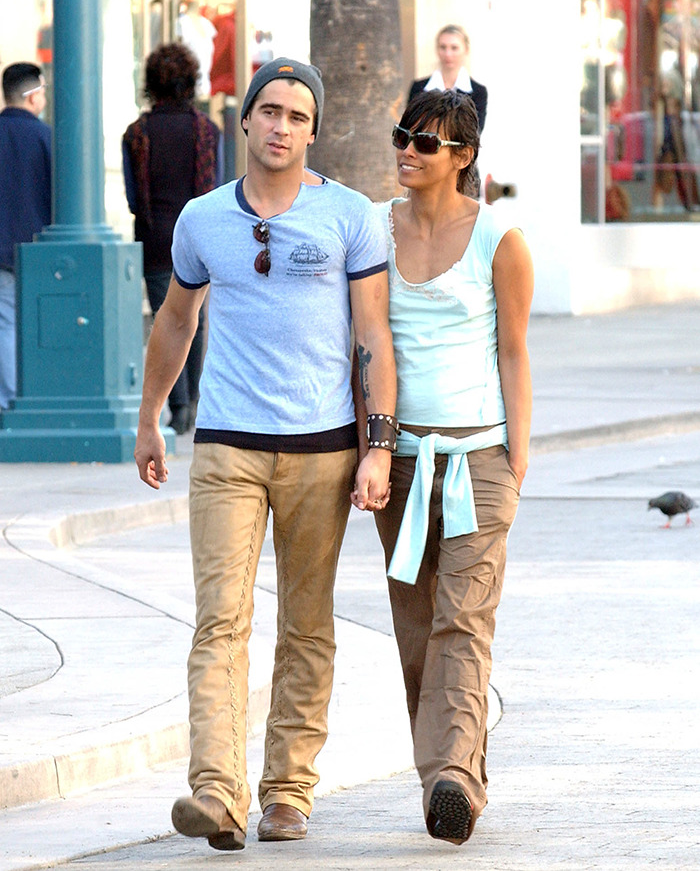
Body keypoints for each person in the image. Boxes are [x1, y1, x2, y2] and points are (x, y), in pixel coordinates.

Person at [134, 57, 396, 852]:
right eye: (271, 110)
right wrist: (150, 418)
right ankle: (217, 791)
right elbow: (176, 320)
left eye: (298, 116)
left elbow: (373, 335)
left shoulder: (349, 215)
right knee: (220, 619)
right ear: (244, 119)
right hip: (227, 447)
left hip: (323, 449)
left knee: (306, 625)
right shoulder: (201, 219)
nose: (282, 126)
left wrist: (378, 448)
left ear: (313, 132)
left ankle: (288, 791)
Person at [372, 89, 533, 845]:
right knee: (416, 630)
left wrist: (517, 458)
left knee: (462, 622)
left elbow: (514, 351)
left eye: (425, 142)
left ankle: (454, 780)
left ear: (462, 155)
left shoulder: (500, 238)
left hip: (479, 460)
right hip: (400, 464)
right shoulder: (375, 228)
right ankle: (449, 773)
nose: (407, 150)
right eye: (402, 135)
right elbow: (365, 342)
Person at [123, 43, 223, 435]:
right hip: (200, 237)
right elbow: (216, 188)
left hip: (156, 239)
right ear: (191, 82)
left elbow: (134, 199)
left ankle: (178, 404)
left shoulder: (136, 134)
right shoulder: (207, 131)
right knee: (195, 319)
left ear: (150, 83)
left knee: (168, 319)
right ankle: (192, 403)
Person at [0, 62, 51, 412]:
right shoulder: (47, 137)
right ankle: (16, 403)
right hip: (35, 252)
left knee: (6, 325)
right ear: (33, 96)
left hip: (2, 252)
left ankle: (8, 400)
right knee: (26, 327)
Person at [408, 24, 488, 133]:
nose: (448, 54)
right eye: (443, 47)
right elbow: (411, 127)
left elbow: (475, 132)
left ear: (466, 49)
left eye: (454, 48)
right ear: (437, 49)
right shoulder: (418, 87)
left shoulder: (478, 91)